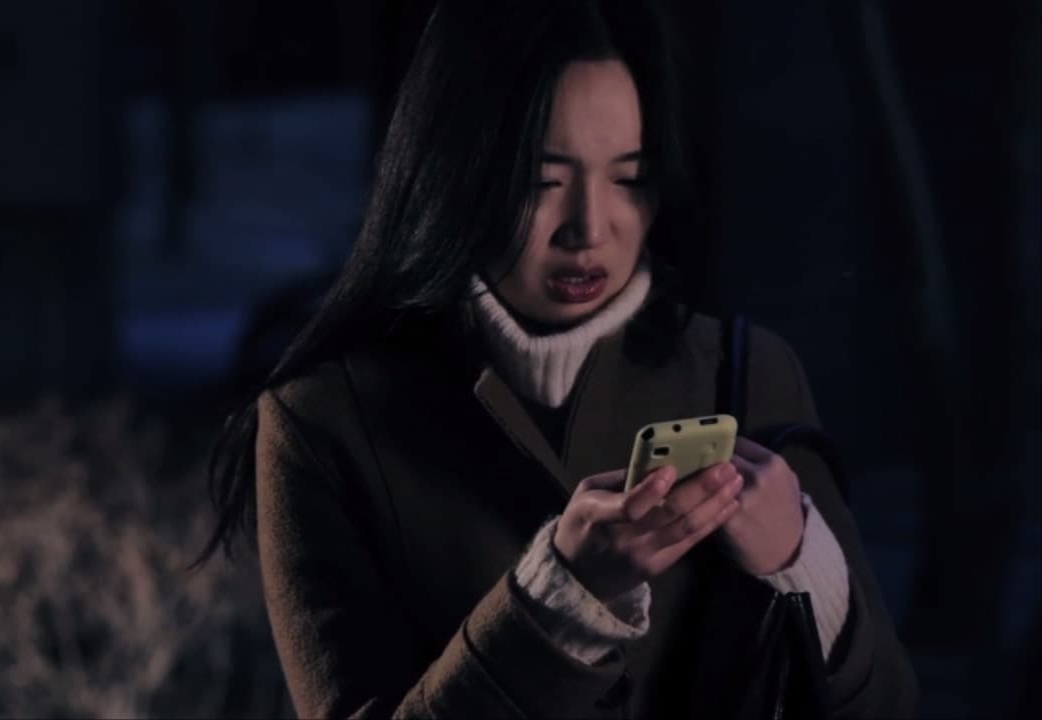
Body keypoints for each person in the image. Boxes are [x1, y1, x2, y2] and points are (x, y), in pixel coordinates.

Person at [192, 0, 918, 716]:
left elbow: (887, 705)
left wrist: (801, 559)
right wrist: (559, 602)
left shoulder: (748, 375)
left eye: (627, 177)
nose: (589, 229)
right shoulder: (323, 423)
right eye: (544, 181)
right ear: (455, 171)